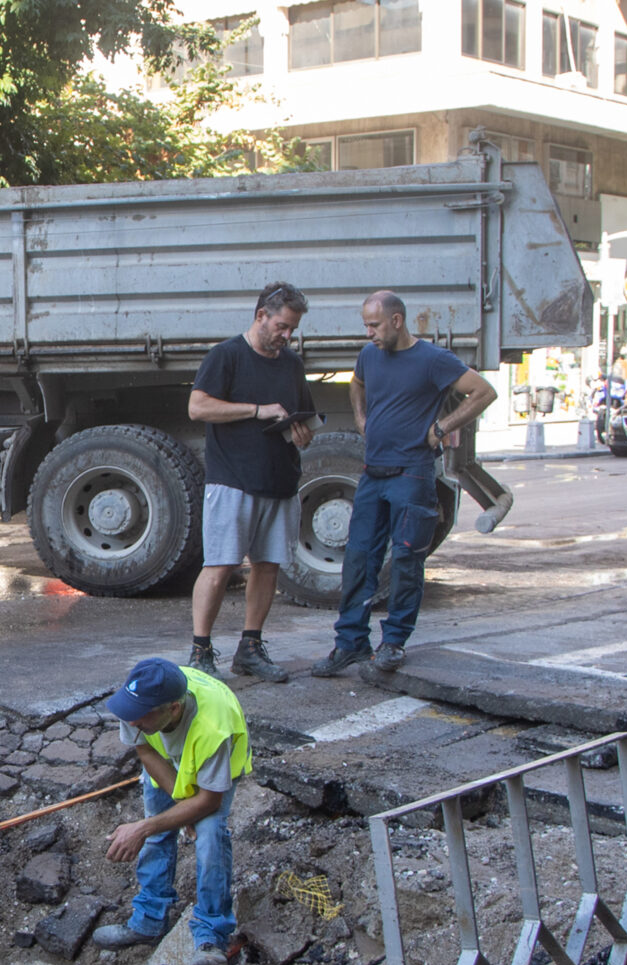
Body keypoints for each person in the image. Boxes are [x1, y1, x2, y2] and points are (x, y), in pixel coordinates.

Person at [311, 291, 497, 676]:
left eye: (374, 325)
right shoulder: (369, 355)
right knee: (359, 559)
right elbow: (356, 384)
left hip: (412, 473)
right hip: (373, 473)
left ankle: (393, 642)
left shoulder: (432, 359)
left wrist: (443, 427)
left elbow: (483, 391)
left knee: (408, 560)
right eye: (366, 325)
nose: (369, 333)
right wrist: (361, 417)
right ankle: (350, 643)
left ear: (397, 321)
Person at [92, 656, 253, 965]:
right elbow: (146, 751)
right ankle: (150, 919)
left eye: (140, 717)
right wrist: (178, 808)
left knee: (210, 837)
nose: (131, 721)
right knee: (158, 823)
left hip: (214, 769)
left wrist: (144, 827)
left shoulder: (214, 727)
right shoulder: (136, 706)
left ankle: (211, 936)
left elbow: (208, 800)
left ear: (173, 709)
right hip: (167, 758)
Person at [186, 282, 314, 682]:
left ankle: (250, 648)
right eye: (281, 326)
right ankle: (200, 651)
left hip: (279, 479)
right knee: (220, 566)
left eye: (292, 329)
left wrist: (303, 429)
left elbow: (302, 411)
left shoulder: (291, 363)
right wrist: (257, 410)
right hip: (233, 480)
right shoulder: (226, 356)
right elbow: (197, 407)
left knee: (268, 567)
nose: (286, 335)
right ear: (261, 316)